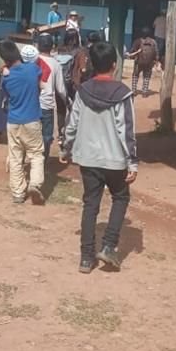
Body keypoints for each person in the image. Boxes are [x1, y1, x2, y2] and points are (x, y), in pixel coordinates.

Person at [61, 42, 138, 273]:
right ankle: (108, 245)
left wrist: (66, 148)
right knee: (120, 198)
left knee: (90, 204)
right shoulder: (122, 94)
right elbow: (126, 131)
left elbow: (71, 124)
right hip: (115, 160)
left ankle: (86, 258)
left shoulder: (83, 91)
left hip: (87, 158)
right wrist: (132, 161)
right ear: (114, 65)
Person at [0, 41, 45, 204]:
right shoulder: (33, 69)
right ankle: (35, 183)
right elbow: (41, 81)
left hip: (13, 121)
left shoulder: (6, 77)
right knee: (36, 154)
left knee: (15, 156)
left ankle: (18, 193)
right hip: (32, 118)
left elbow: (6, 94)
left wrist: (6, 72)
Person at [36, 34, 66, 161]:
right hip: (46, 105)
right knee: (46, 135)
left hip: (31, 103)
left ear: (37, 46)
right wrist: (67, 101)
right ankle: (43, 159)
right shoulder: (56, 64)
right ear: (52, 47)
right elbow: (61, 89)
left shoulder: (32, 60)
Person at [126, 28, 158, 97]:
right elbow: (156, 53)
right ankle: (144, 92)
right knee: (146, 76)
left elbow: (132, 51)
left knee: (135, 75)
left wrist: (132, 55)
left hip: (139, 62)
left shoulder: (138, 41)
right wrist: (155, 61)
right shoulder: (153, 42)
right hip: (149, 63)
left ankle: (134, 91)